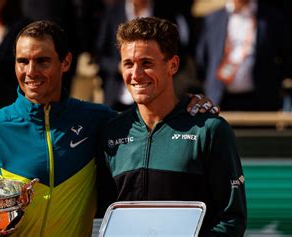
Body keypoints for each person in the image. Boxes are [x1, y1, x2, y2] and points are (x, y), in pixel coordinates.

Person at [0, 20, 218, 236]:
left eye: (43, 61)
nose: (30, 71)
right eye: (23, 61)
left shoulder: (99, 119)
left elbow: (151, 117)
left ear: (65, 63)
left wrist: (189, 107)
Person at [101, 17, 247, 236]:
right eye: (128, 64)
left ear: (173, 65)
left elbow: (231, 219)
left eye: (147, 63)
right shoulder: (111, 132)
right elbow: (101, 218)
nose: (136, 75)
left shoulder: (209, 130)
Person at [196, 0, 292, 111]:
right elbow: (202, 59)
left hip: (260, 103)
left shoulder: (272, 19)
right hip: (220, 101)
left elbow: (289, 60)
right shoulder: (213, 18)